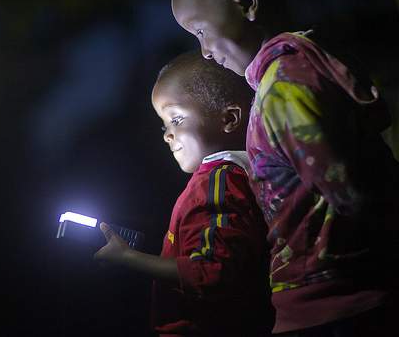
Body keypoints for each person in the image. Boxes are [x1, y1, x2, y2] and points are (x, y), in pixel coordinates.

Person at [171, 0, 399, 336]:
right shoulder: (296, 72)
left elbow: (349, 194)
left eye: (201, 31)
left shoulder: (285, 88)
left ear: (246, 3)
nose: (204, 51)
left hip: (336, 307)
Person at [94, 51, 273, 336]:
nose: (167, 135)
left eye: (176, 119)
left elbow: (213, 272)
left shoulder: (219, 182)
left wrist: (128, 258)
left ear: (229, 118)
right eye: (164, 125)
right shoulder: (236, 178)